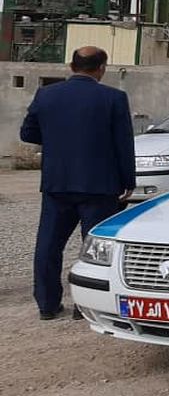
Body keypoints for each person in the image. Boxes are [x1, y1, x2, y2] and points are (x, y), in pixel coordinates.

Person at [21, 47, 135, 320]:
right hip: (100, 184)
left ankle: (47, 305)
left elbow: (27, 132)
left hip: (57, 182)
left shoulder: (46, 95)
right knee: (96, 247)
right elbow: (123, 143)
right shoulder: (114, 98)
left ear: (72, 66)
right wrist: (128, 180)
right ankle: (86, 305)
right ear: (102, 68)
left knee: (48, 245)